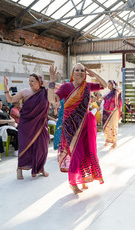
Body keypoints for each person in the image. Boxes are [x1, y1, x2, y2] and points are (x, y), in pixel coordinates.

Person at [48, 63, 107, 194]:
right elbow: (52, 99)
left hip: (85, 125)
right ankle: (73, 182)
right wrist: (52, 82)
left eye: (82, 70)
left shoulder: (88, 86)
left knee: (86, 152)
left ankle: (83, 179)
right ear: (72, 73)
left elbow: (104, 85)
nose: (80, 72)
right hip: (70, 126)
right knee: (77, 153)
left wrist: (94, 74)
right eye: (77, 70)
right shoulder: (66, 87)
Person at [4, 73, 50, 180]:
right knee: (24, 146)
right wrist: (6, 87)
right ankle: (19, 169)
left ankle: (40, 168)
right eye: (29, 81)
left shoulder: (45, 92)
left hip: (40, 124)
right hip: (26, 124)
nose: (30, 83)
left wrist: (48, 82)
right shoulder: (25, 92)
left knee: (42, 146)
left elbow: (59, 87)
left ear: (40, 82)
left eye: (32, 81)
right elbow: (10, 99)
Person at [102, 80, 122, 148]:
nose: (108, 85)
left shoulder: (116, 91)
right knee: (105, 126)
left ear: (113, 85)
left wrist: (115, 87)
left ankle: (114, 142)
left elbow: (120, 89)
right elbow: (103, 99)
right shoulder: (108, 93)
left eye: (109, 84)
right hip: (106, 112)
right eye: (108, 84)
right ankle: (107, 140)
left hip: (113, 111)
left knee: (113, 126)